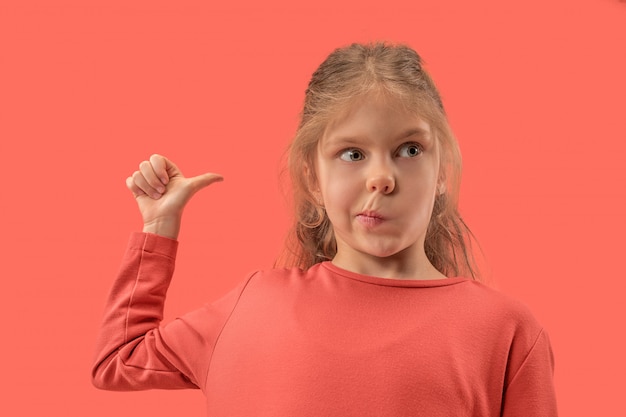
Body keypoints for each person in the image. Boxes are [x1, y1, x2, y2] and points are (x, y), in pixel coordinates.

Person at [92, 43, 558, 416]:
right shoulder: (252, 304)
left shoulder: (506, 331)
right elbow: (118, 361)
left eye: (410, 149)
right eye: (352, 154)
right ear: (313, 179)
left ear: (441, 173)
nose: (382, 178)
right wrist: (158, 228)